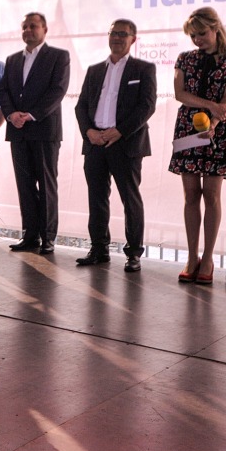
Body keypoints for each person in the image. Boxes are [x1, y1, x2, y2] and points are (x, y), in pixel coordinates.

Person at [168, 7, 226, 283]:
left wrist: (212, 122)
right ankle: (192, 257)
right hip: (187, 126)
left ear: (215, 28)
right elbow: (180, 94)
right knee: (190, 195)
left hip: (219, 128)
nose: (197, 40)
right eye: (193, 35)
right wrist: (209, 106)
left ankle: (208, 258)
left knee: (211, 195)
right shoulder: (184, 58)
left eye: (201, 33)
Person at [75, 19, 157, 272]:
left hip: (125, 143)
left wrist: (119, 131)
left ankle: (134, 254)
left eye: (123, 34)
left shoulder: (143, 69)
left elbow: (147, 106)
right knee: (96, 198)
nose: (117, 38)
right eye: (113, 33)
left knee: (130, 200)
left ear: (133, 39)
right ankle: (99, 249)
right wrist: (89, 132)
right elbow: (81, 106)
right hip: (95, 143)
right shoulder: (94, 70)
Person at [0, 12, 70, 255]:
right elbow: (4, 90)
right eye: (25, 26)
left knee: (46, 185)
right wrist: (11, 115)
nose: (28, 30)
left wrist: (30, 115)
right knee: (25, 185)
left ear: (45, 29)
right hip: (18, 130)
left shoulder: (59, 56)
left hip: (44, 130)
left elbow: (58, 90)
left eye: (33, 26)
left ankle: (48, 237)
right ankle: (30, 236)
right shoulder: (12, 60)